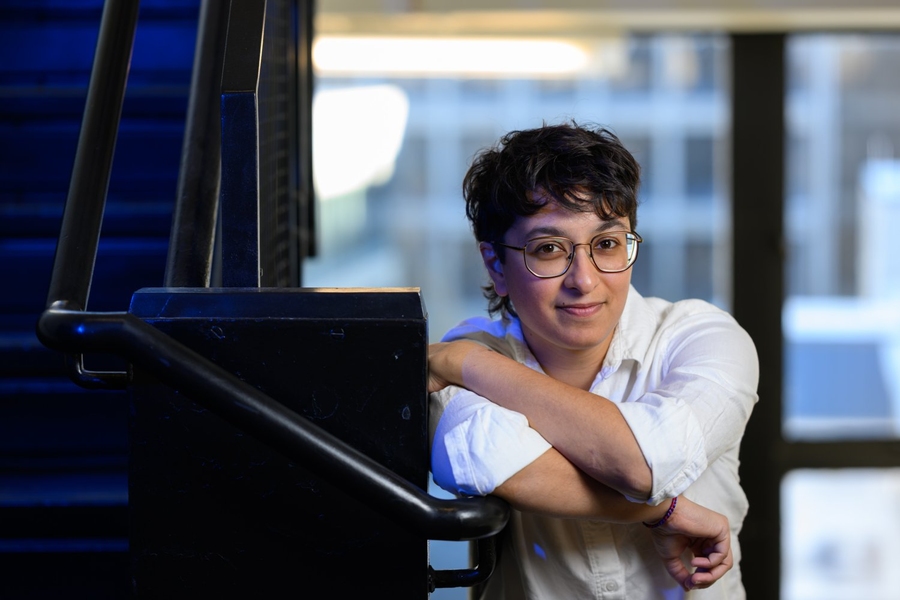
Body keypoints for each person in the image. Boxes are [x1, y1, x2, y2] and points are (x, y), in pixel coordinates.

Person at [427, 122, 759, 599]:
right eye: (548, 249)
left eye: (606, 244)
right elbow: (485, 459)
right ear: (496, 265)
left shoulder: (701, 338)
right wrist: (661, 512)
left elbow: (646, 464)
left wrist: (467, 366)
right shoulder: (470, 347)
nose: (583, 280)